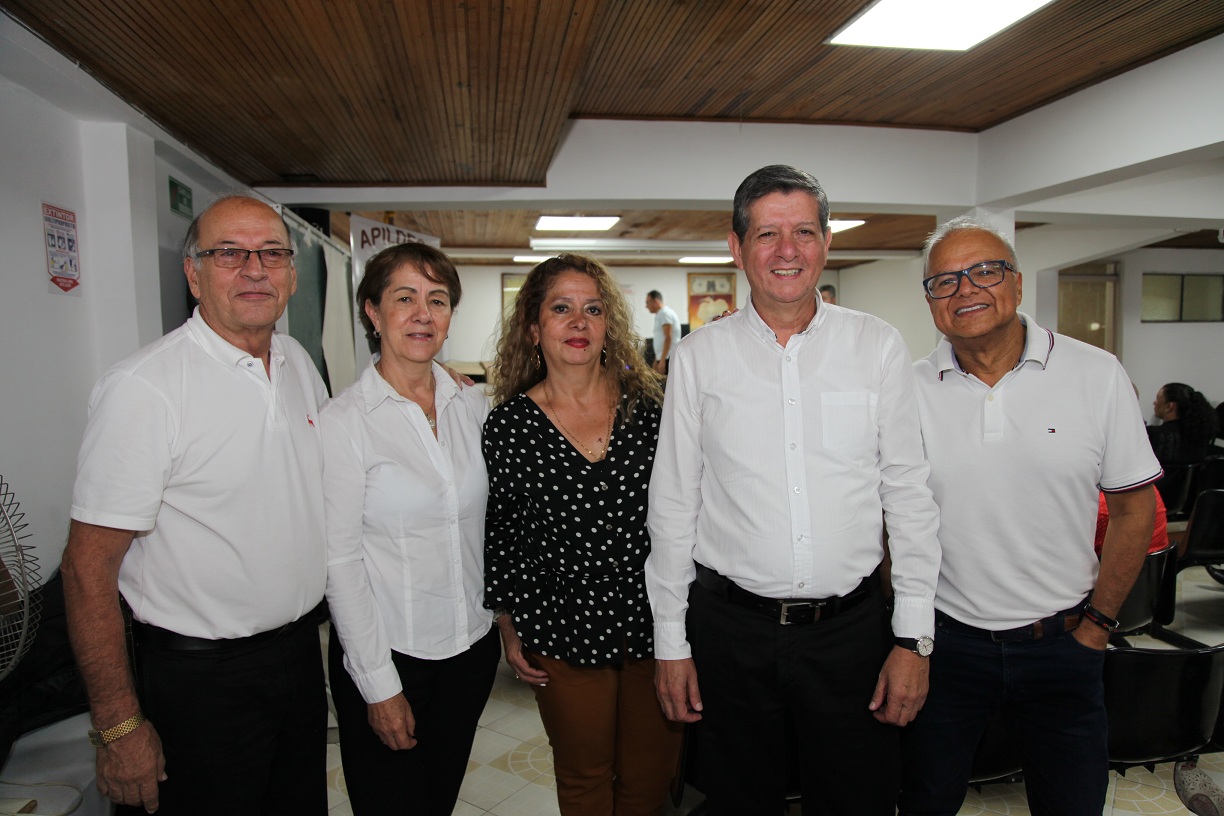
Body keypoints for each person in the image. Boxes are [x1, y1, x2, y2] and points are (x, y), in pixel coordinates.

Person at [645, 165, 941, 815]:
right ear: (736, 246)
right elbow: (672, 505)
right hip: (731, 635)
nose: (788, 251)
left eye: (804, 232)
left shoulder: (877, 347)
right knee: (738, 804)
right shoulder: (700, 358)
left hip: (852, 636)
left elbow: (910, 498)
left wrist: (913, 638)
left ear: (827, 243)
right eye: (768, 234)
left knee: (858, 802)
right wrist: (672, 642)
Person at [62, 195, 329, 815]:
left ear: (291, 273)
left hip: (293, 662)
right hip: (199, 682)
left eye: (272, 253)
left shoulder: (298, 366)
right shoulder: (146, 388)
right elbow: (86, 568)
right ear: (194, 273)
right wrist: (119, 726)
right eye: (229, 253)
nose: (255, 269)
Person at [899, 217, 1161, 816]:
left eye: (984, 271)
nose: (965, 290)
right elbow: (892, 520)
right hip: (945, 647)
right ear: (931, 303)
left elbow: (1133, 510)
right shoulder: (906, 388)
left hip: (1065, 644)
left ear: (1016, 285)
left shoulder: (1096, 375)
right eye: (944, 281)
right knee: (924, 801)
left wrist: (1098, 627)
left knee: (1071, 804)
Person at [483, 254, 682, 815]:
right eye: (561, 309)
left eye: (592, 309)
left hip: (656, 626)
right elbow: (503, 530)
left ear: (609, 325)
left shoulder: (653, 409)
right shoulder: (510, 425)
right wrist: (506, 622)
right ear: (533, 326)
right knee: (584, 777)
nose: (578, 322)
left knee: (649, 777)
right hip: (562, 628)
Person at [321, 243, 498, 815]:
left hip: (469, 649)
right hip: (391, 654)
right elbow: (340, 563)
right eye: (405, 298)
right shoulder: (344, 423)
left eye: (438, 300)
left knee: (438, 799)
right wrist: (379, 685)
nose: (423, 314)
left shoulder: (473, 407)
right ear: (373, 313)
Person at [1148, 382, 1219, 467]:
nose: (1154, 403)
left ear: (1169, 406)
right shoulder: (1201, 436)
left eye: (1158, 399)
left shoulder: (1152, 434)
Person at [644, 290, 681, 375]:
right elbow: (660, 339)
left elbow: (668, 337)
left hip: (668, 357)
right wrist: (656, 360)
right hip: (663, 357)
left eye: (647, 302)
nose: (646, 306)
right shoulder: (660, 314)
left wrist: (662, 360)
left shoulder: (665, 313)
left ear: (656, 301)